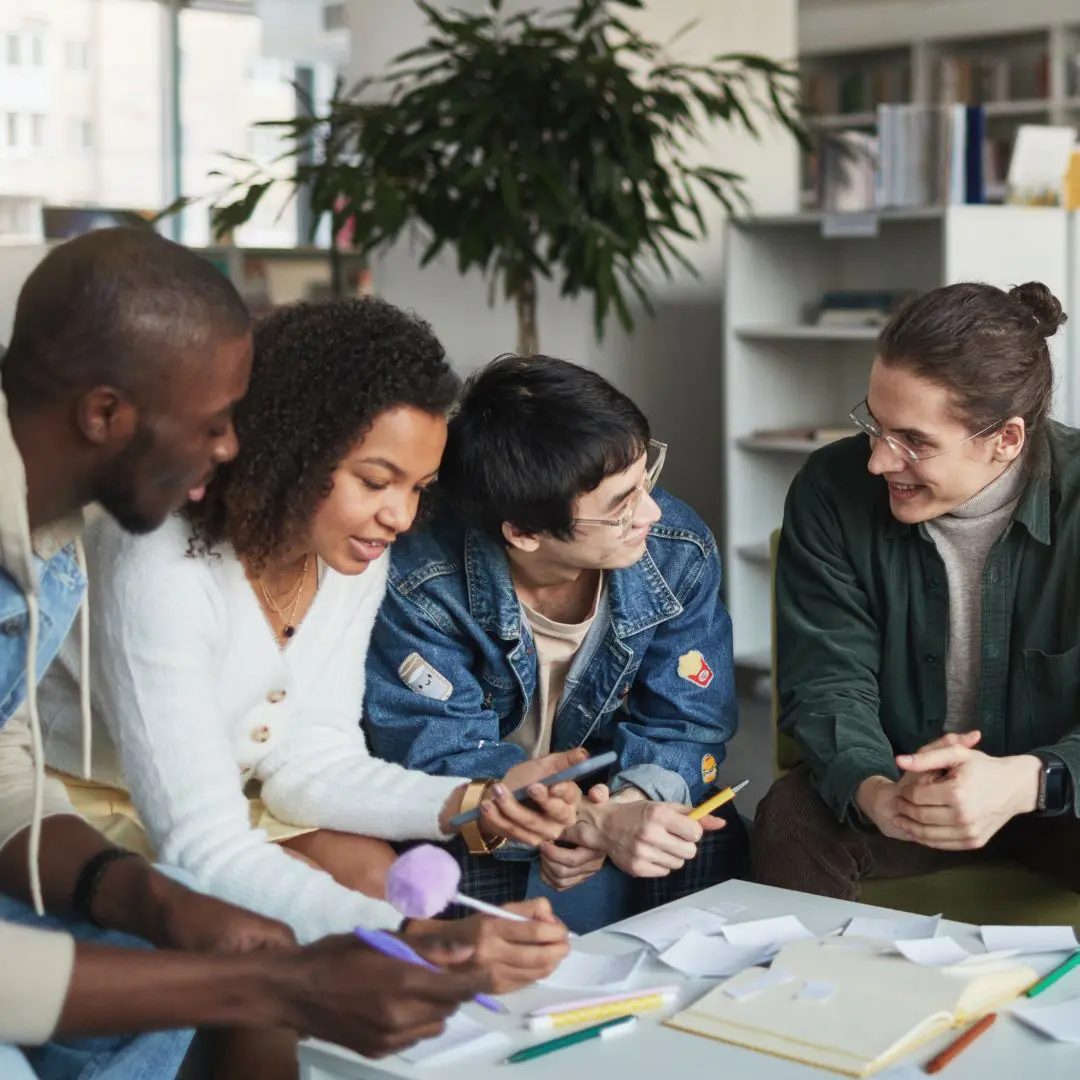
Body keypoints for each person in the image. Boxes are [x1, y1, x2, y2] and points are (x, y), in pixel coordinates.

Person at [0, 229, 494, 1080]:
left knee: (262, 931)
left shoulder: (48, 543)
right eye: (215, 422)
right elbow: (196, 841)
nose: (231, 446)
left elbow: (4, 772)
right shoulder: (138, 551)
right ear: (105, 414)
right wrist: (273, 973)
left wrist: (151, 902)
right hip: (107, 824)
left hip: (97, 845)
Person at [38, 298, 575, 986]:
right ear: (289, 446)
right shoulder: (154, 557)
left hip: (226, 798)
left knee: (372, 873)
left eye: (419, 489)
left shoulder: (350, 553)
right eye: (376, 481)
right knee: (296, 924)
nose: (401, 517)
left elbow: (310, 760)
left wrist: (482, 800)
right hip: (79, 809)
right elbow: (199, 840)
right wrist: (416, 940)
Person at [365, 354, 749, 934]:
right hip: (485, 797)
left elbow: (687, 723)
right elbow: (439, 761)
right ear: (523, 532)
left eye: (645, 478)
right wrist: (575, 825)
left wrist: (625, 805)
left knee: (706, 837)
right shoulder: (419, 579)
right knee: (462, 854)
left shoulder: (674, 546)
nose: (650, 511)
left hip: (608, 785)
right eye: (620, 505)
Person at [752, 281, 1080, 900]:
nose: (879, 461)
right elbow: (826, 678)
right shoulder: (831, 487)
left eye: (914, 441)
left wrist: (1026, 783)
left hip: (1057, 794)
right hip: (899, 782)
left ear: (1006, 440)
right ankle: (798, 995)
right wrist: (876, 790)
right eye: (875, 425)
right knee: (791, 821)